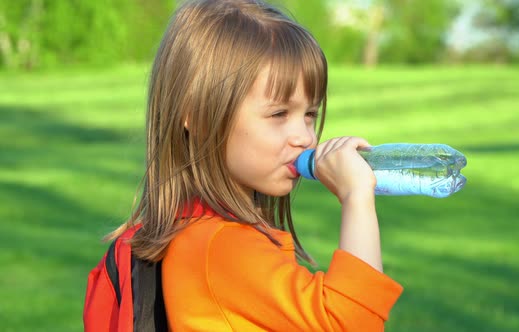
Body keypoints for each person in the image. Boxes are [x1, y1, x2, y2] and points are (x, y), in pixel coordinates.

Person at [106, 0, 403, 330]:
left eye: (309, 115)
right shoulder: (223, 246)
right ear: (197, 116)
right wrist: (357, 198)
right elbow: (352, 323)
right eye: (279, 114)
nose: (304, 137)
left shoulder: (194, 231)